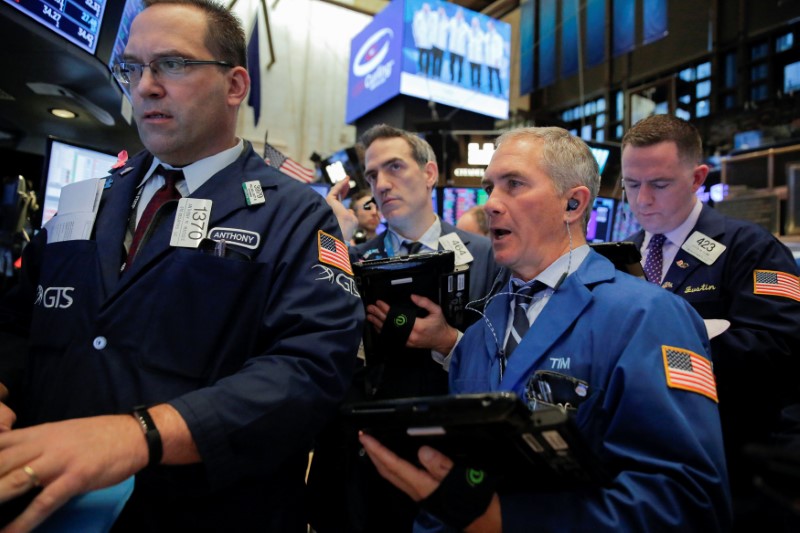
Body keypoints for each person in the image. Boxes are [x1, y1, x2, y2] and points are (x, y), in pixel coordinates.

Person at [0, 1, 363, 531]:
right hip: (49, 506)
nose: (145, 86)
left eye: (172, 64)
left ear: (235, 85)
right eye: (132, 68)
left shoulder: (295, 214)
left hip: (203, 513)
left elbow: (310, 368)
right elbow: (15, 322)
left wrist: (141, 434)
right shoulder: (87, 198)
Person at [359, 126, 732, 532]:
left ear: (573, 203)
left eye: (514, 184)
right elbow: (462, 483)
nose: (491, 204)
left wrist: (509, 522)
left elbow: (689, 502)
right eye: (490, 187)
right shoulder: (481, 329)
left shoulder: (650, 316)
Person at [308, 124, 499, 533]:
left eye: (395, 167)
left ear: (429, 173)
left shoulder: (484, 255)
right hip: (362, 454)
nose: (381, 183)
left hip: (446, 451)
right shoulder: (351, 257)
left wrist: (449, 343)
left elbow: (501, 356)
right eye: (373, 174)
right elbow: (313, 340)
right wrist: (332, 243)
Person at [620, 113, 800, 531]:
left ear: (698, 176)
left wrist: (664, 358)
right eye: (631, 184)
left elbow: (781, 348)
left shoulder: (750, 248)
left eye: (659, 184)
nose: (642, 199)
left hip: (731, 461)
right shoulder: (619, 257)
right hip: (643, 460)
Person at [447, 8, 469, 85]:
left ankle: (459, 81)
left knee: (460, 66)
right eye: (457, 14)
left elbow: (468, 39)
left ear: (462, 16)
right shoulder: (452, 21)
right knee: (451, 64)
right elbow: (447, 30)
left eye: (460, 15)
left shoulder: (465, 26)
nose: (458, 16)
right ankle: (452, 78)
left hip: (461, 50)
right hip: (453, 47)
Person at [412, 3, 434, 77]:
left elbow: (433, 29)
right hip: (421, 39)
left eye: (427, 9)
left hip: (428, 41)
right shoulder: (419, 15)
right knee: (420, 56)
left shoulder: (432, 17)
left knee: (428, 57)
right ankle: (420, 70)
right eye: (425, 8)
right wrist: (416, 37)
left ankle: (426, 72)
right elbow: (415, 27)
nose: (426, 10)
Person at [484, 21, 504, 95]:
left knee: (498, 77)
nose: (488, 27)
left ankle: (501, 92)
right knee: (490, 76)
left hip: (496, 61)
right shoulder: (487, 36)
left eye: (489, 26)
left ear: (492, 26)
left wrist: (497, 59)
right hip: (489, 60)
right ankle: (490, 91)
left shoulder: (498, 37)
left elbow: (500, 50)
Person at [467, 17, 485, 90]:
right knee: (471, 71)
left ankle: (478, 85)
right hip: (471, 55)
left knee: (478, 72)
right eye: (473, 23)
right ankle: (472, 85)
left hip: (478, 56)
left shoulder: (481, 33)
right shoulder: (469, 31)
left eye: (475, 23)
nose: (474, 24)